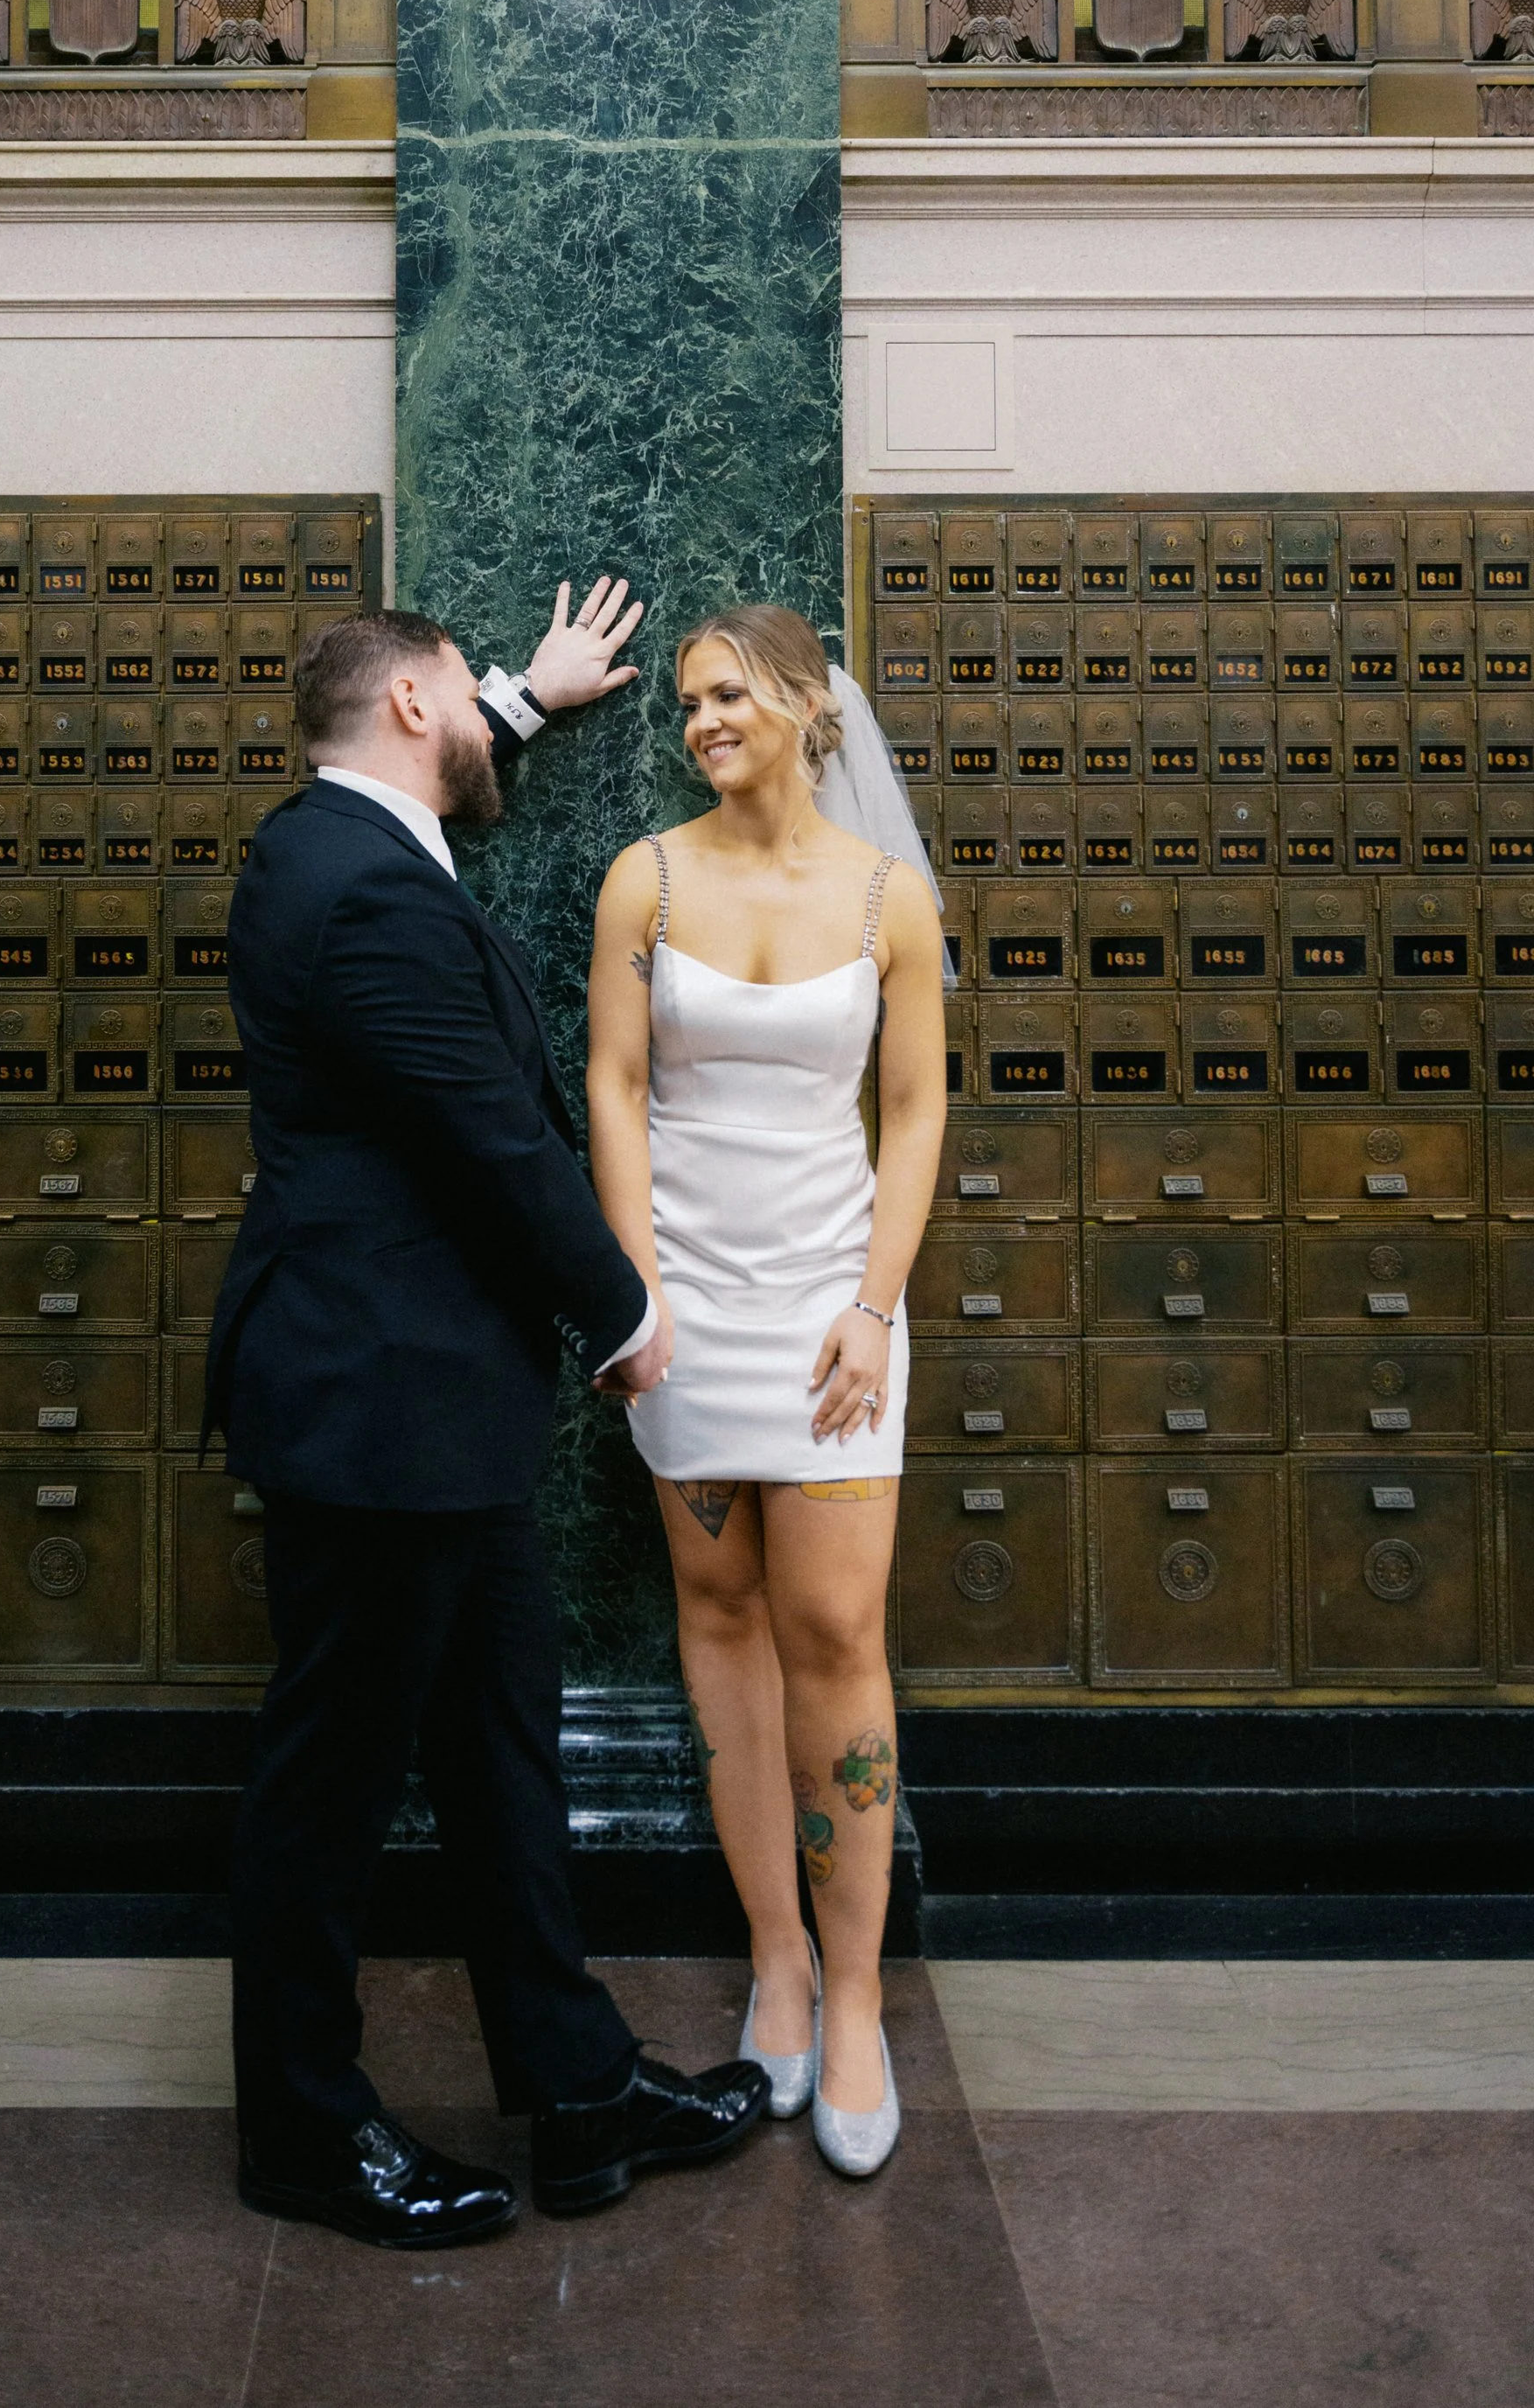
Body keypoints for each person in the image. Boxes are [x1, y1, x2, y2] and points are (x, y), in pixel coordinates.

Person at [206, 582, 769, 2251]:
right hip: (378, 1405)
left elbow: (431, 766)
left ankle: (577, 2090)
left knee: (505, 1752)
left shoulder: (338, 847)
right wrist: (625, 1309)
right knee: (330, 1786)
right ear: (404, 705)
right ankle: (305, 2130)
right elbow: (487, 1137)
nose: (482, 703)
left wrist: (515, 698)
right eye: (463, 683)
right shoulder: (359, 893)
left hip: (428, 1407)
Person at [586, 606, 946, 2180]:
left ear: (807, 705)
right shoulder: (646, 879)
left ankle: (858, 1994)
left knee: (838, 1636)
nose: (702, 720)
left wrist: (877, 1308)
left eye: (730, 693)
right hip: (688, 1315)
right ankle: (778, 1961)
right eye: (688, 702)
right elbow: (611, 1083)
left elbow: (919, 1107)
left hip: (830, 1317)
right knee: (720, 1620)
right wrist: (631, 1292)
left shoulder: (888, 895)